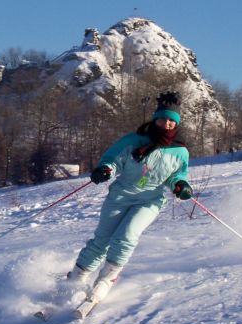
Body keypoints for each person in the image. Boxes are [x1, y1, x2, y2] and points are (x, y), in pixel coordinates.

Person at [68, 91, 193, 303]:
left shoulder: (180, 152)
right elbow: (113, 160)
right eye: (164, 118)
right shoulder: (134, 141)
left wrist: (181, 185)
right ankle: (76, 280)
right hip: (120, 196)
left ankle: (106, 280)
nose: (168, 123)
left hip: (149, 200)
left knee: (126, 236)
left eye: (172, 120)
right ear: (156, 119)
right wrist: (105, 170)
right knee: (102, 240)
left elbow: (177, 175)